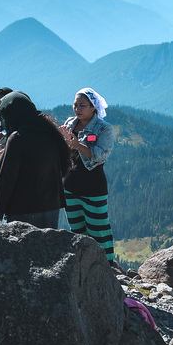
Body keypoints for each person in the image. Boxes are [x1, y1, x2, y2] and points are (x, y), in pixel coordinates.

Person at [0, 90, 70, 229]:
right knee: (47, 249)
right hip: (51, 206)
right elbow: (63, 166)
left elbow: (6, 177)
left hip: (22, 209)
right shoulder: (50, 132)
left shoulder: (18, 138)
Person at [62, 87, 116, 264]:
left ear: (93, 107)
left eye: (82, 105)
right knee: (77, 229)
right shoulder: (70, 123)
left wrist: (76, 145)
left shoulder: (104, 129)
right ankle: (82, 263)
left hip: (93, 187)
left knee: (99, 229)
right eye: (75, 104)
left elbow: (100, 155)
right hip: (70, 185)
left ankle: (107, 266)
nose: (77, 108)